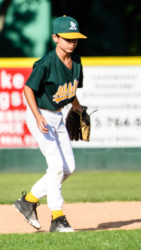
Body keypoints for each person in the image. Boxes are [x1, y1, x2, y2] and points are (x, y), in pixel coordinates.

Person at [13, 15, 87, 233]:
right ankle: (57, 217)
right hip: (41, 115)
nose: (72, 42)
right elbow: (28, 89)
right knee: (56, 166)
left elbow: (71, 89)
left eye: (75, 39)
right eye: (67, 38)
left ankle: (28, 200)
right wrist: (37, 116)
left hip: (58, 116)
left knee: (68, 168)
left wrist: (77, 107)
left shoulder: (77, 62)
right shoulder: (46, 63)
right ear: (56, 37)